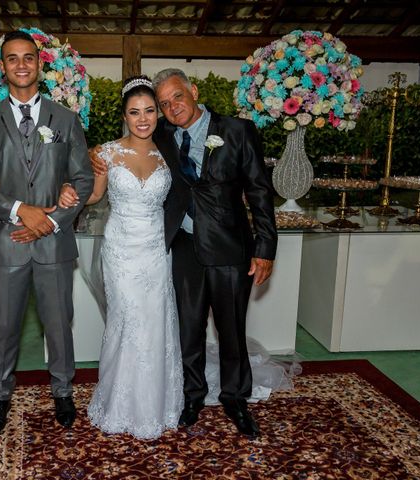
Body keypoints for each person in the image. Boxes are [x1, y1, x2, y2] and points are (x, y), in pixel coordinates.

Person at [0, 30, 94, 433]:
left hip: (55, 241)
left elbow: (83, 178)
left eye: (28, 58)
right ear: (2, 67)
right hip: (8, 241)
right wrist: (21, 211)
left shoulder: (66, 119)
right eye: (12, 58)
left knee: (59, 323)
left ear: (40, 64)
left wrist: (51, 221)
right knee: (3, 323)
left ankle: (62, 390)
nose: (21, 64)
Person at [151, 68, 277, 438]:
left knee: (231, 329)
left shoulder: (237, 130)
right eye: (163, 104)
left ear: (193, 90)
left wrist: (265, 247)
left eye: (177, 96)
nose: (172, 107)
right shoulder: (160, 135)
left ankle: (235, 398)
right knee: (188, 328)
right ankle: (192, 396)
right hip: (184, 247)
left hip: (230, 246)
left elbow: (259, 192)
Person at [59, 75, 183, 439]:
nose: (142, 119)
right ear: (124, 116)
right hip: (120, 251)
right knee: (126, 321)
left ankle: (157, 403)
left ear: (158, 113)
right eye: (134, 112)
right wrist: (71, 189)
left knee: (155, 323)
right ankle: (119, 402)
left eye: (149, 110)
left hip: (157, 250)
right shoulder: (105, 153)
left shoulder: (170, 151)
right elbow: (95, 197)